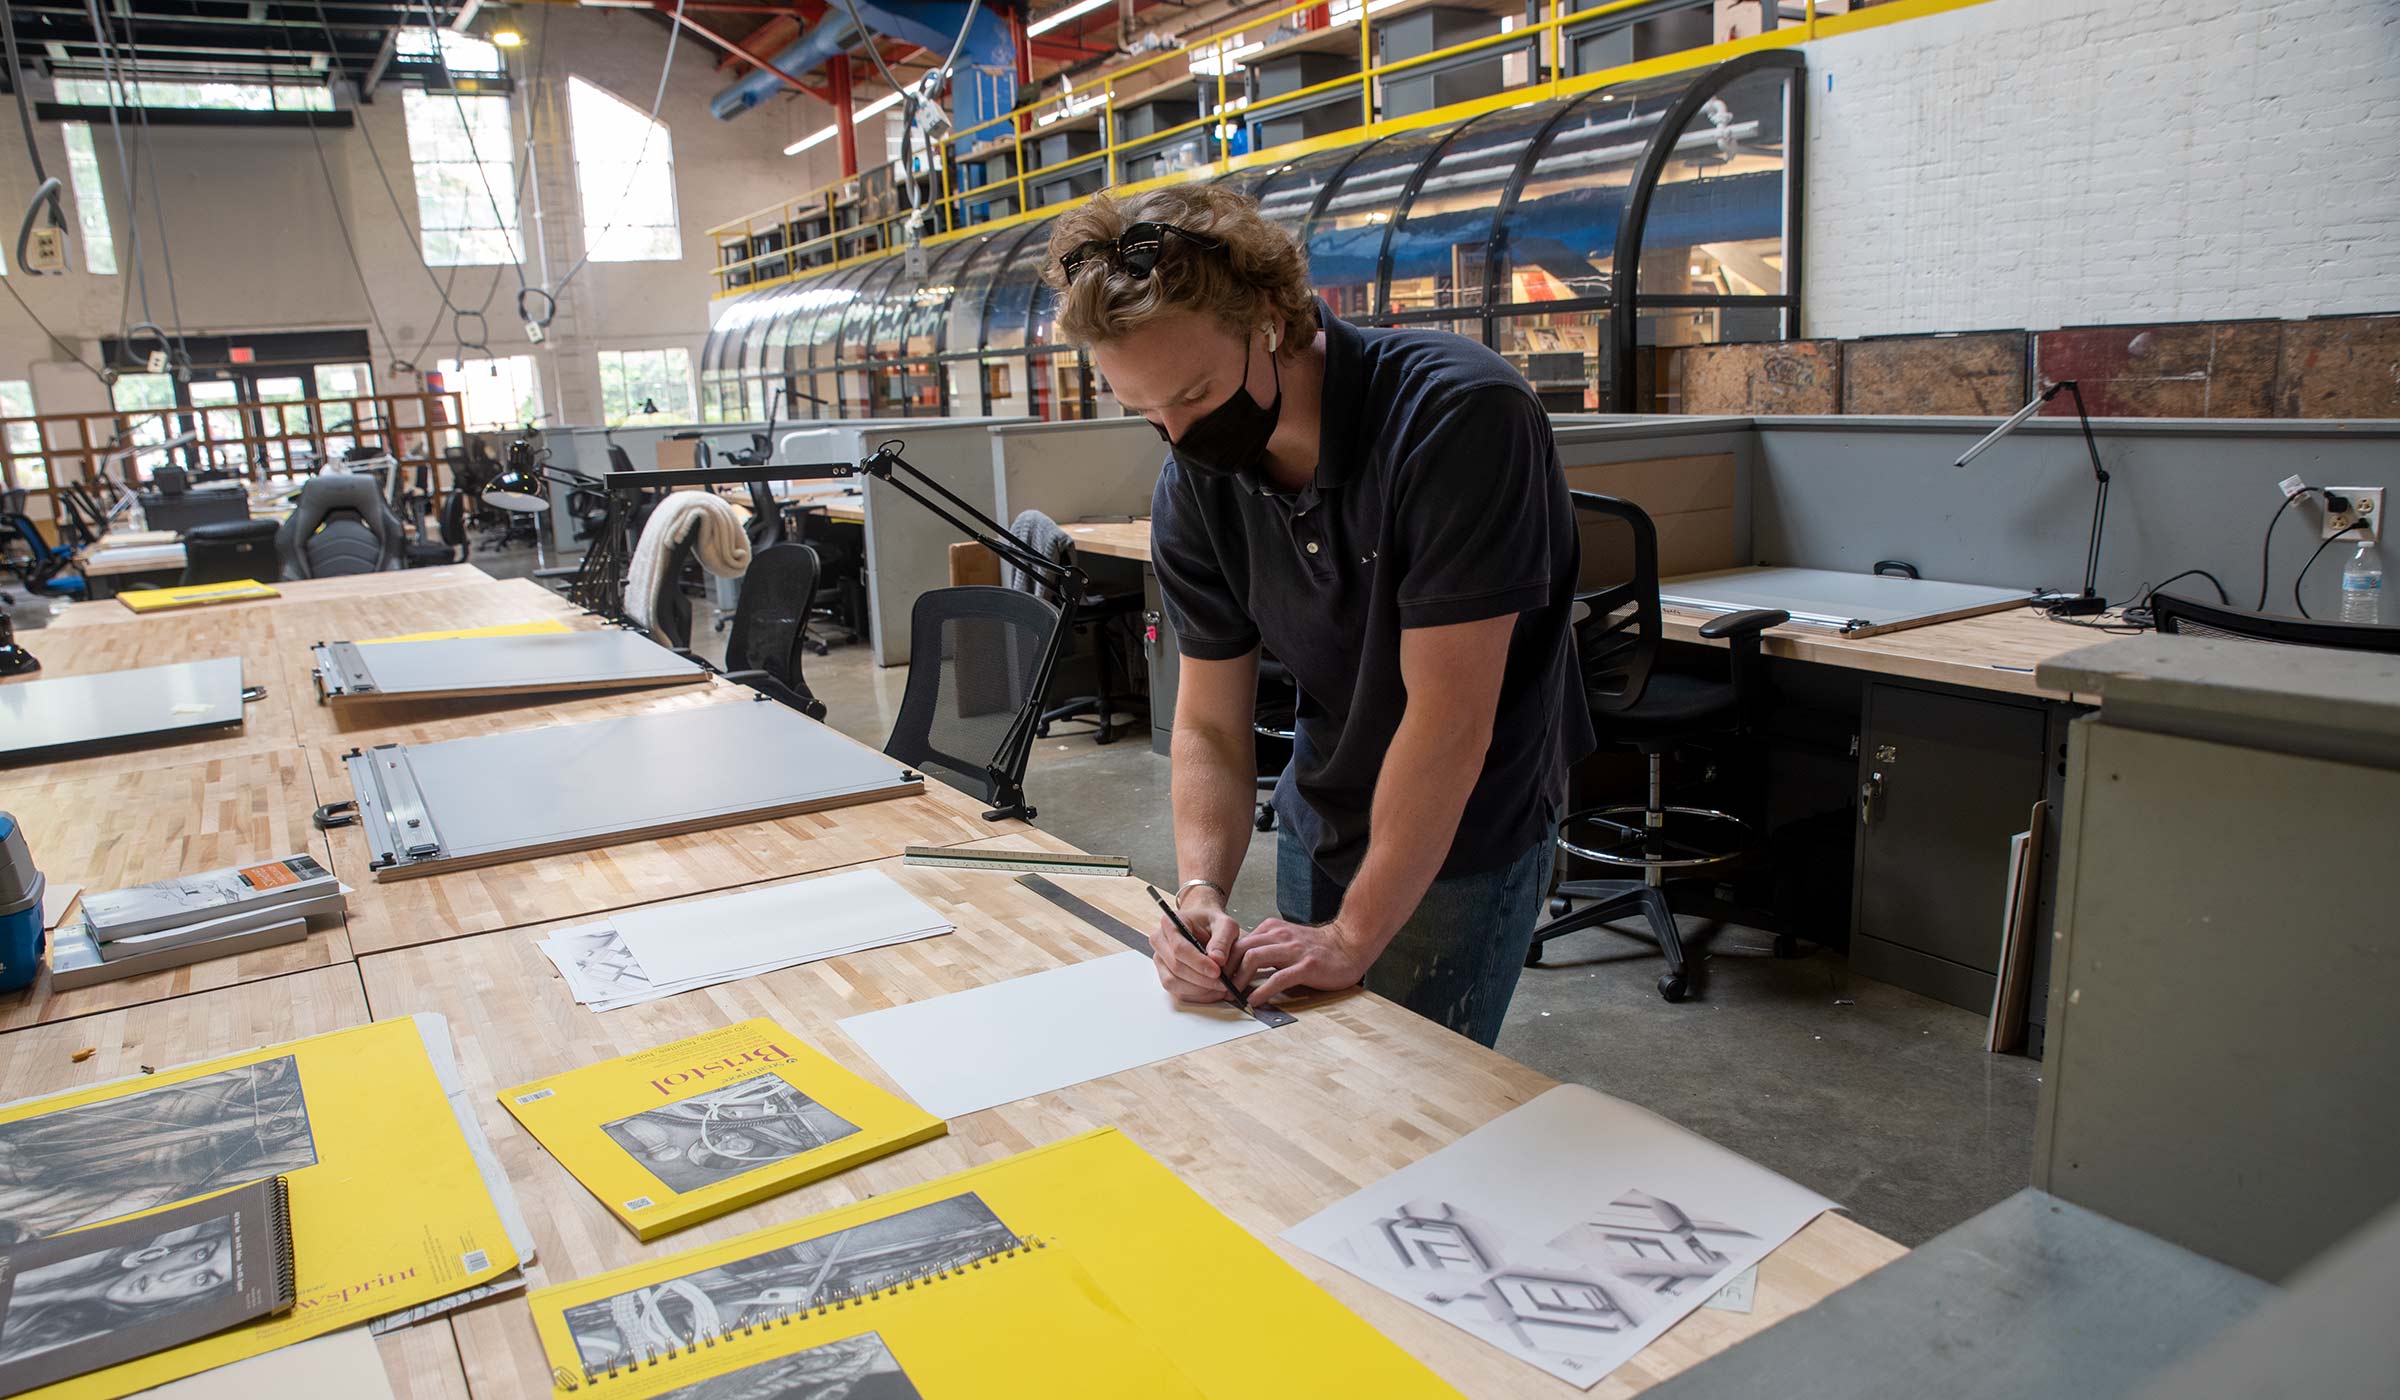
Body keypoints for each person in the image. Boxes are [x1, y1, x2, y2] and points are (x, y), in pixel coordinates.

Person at [1042, 185, 1592, 1047]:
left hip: (1464, 833)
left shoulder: (1454, 419)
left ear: (1269, 316)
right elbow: (1211, 726)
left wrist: (1354, 934)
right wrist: (1200, 898)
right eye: (1146, 412)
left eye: (1194, 393)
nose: (1180, 438)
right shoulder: (1198, 487)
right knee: (1327, 1071)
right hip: (1322, 808)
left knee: (1420, 1102)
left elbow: (1449, 723)